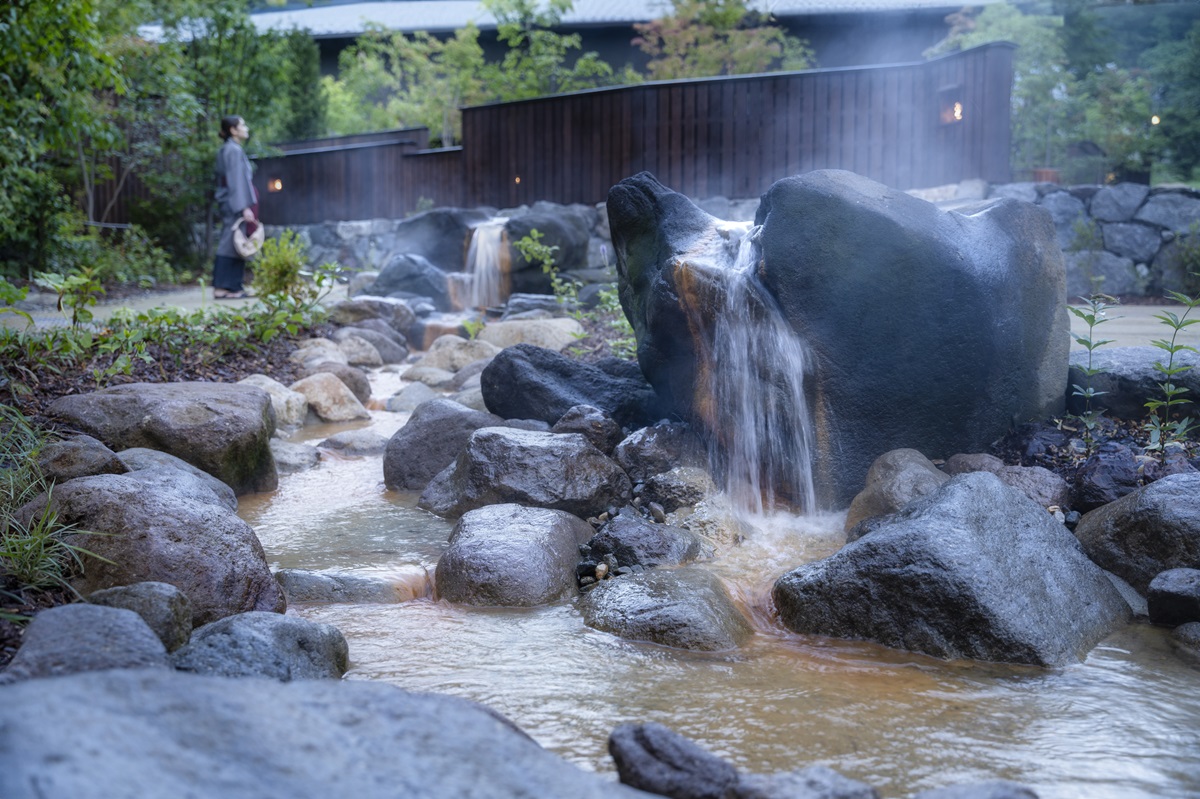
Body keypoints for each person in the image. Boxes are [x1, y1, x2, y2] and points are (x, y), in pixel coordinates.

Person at [213, 115, 258, 299]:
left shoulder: (232, 149)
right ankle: (224, 287)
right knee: (230, 241)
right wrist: (243, 207)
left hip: (231, 201)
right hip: (233, 202)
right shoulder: (232, 150)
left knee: (235, 242)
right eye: (243, 125)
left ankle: (232, 287)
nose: (246, 128)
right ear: (233, 130)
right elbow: (236, 181)